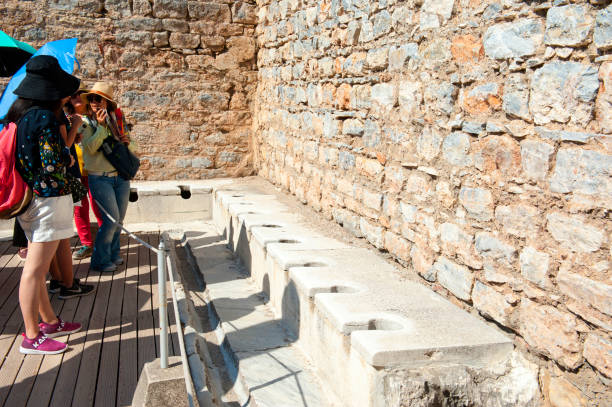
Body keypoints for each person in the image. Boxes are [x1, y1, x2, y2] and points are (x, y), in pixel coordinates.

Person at [10, 55, 83, 354]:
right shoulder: (45, 119)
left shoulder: (21, 115)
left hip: (31, 200)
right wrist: (69, 147)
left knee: (37, 269)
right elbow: (55, 162)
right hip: (47, 200)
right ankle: (31, 336)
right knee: (34, 271)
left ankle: (49, 322)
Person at [80, 82, 134, 273]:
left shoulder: (117, 120)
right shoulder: (85, 122)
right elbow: (90, 148)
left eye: (98, 98)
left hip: (120, 176)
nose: (94, 102)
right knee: (110, 219)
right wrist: (101, 128)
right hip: (100, 178)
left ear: (107, 102)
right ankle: (99, 261)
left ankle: (113, 253)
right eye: (92, 98)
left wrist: (128, 143)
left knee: (119, 220)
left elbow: (132, 146)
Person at [63, 86, 103, 260]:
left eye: (80, 94)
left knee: (98, 205)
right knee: (80, 208)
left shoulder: (96, 117)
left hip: (95, 167)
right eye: (73, 95)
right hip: (75, 170)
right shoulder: (66, 119)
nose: (77, 97)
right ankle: (86, 243)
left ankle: (104, 242)